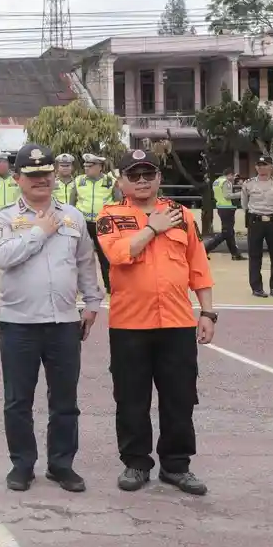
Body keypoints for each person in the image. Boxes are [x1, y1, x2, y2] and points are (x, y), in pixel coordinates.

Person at [96, 149, 216, 496]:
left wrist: (207, 312)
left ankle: (177, 466)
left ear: (159, 178)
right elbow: (117, 254)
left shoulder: (181, 214)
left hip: (177, 322)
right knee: (131, 397)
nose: (143, 181)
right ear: (121, 181)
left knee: (179, 396)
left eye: (149, 174)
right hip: (129, 324)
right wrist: (152, 227)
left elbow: (198, 266)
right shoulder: (111, 216)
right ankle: (136, 463)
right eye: (134, 175)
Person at [0, 144, 101, 493]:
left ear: (54, 176)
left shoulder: (73, 217)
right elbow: (3, 256)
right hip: (18, 322)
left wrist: (93, 301)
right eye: (32, 175)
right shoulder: (3, 218)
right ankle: (22, 465)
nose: (40, 180)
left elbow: (85, 262)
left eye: (46, 174)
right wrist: (39, 231)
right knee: (18, 400)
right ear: (18, 178)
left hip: (64, 322)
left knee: (65, 400)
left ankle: (61, 464)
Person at [242, 156, 273, 298]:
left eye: (265, 165)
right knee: (255, 256)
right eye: (259, 165)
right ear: (256, 167)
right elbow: (244, 204)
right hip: (256, 222)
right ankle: (257, 288)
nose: (262, 168)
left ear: (271, 167)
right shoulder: (248, 184)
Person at [74, 154, 120, 293]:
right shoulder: (79, 180)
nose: (86, 168)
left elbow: (118, 200)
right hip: (84, 223)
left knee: (105, 257)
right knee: (81, 256)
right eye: (85, 166)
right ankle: (80, 287)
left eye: (90, 166)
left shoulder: (110, 181)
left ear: (100, 167)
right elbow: (72, 202)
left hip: (103, 223)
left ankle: (109, 286)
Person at [203, 168, 243, 261]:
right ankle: (204, 250)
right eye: (233, 176)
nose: (233, 179)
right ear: (229, 175)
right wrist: (241, 193)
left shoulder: (217, 181)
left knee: (229, 232)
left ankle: (235, 254)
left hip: (221, 207)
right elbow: (227, 195)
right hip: (227, 209)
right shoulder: (226, 182)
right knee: (226, 233)